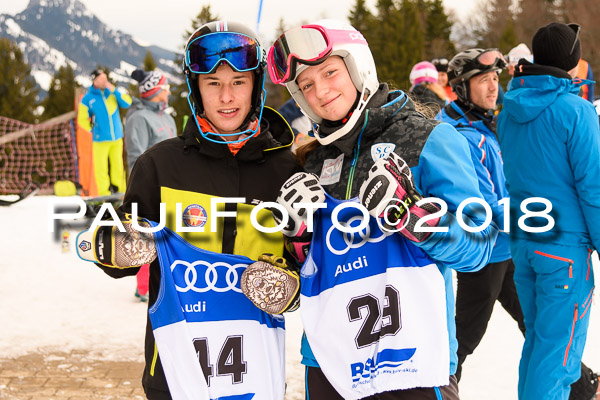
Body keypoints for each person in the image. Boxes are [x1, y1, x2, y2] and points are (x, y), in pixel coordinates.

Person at [246, 19, 498, 399]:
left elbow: (479, 246)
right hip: (330, 365)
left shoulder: (429, 139)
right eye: (307, 85)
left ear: (358, 66)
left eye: (330, 72)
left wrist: (412, 215)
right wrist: (297, 238)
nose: (320, 92)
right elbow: (306, 269)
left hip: (413, 361)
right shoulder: (312, 160)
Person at [76, 21, 302, 399]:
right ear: (196, 90)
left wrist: (289, 289)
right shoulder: (159, 166)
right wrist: (115, 246)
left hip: (256, 369)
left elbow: (304, 265)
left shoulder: (286, 171)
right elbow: (120, 257)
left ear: (257, 86)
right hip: (174, 372)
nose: (226, 97)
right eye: (213, 84)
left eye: (238, 82)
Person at [498, 22, 600, 400]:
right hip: (564, 252)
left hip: (525, 243)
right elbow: (594, 188)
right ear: (573, 61)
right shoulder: (576, 110)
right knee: (557, 358)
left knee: (539, 347)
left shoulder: (508, 110)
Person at [438, 48, 526, 382]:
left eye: (494, 78)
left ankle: (581, 385)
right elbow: (484, 205)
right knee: (462, 340)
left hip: (505, 249)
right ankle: (437, 388)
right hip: (484, 254)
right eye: (483, 80)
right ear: (461, 87)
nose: (493, 87)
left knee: (535, 320)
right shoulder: (462, 136)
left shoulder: (483, 125)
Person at [125, 68, 176, 303]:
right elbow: (137, 156)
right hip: (152, 187)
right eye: (165, 87)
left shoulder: (168, 117)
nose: (168, 91)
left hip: (173, 185)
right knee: (149, 236)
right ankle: (144, 286)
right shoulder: (139, 118)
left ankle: (170, 280)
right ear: (156, 91)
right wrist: (142, 188)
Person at [77, 68, 132, 196]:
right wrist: (92, 130)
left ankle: (121, 193)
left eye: (105, 78)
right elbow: (82, 119)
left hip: (117, 138)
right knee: (101, 169)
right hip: (100, 139)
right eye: (102, 79)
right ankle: (104, 195)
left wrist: (114, 90)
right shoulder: (87, 99)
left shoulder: (112, 93)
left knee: (118, 167)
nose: (105, 81)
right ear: (94, 81)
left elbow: (127, 103)